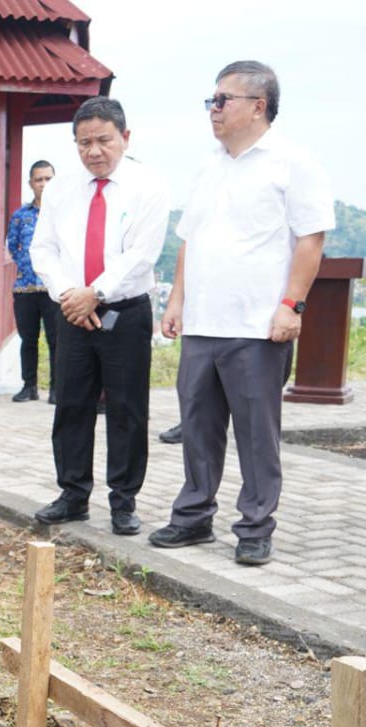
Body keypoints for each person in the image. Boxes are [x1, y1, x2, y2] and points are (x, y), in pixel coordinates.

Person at [151, 61, 334, 565]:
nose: (213, 109)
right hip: (203, 325)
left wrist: (291, 305)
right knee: (197, 427)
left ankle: (255, 526)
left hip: (257, 327)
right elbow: (190, 240)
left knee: (256, 434)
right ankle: (193, 517)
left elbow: (311, 240)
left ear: (258, 105)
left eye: (222, 99)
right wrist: (177, 300)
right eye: (210, 100)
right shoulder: (210, 165)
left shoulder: (291, 161)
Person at [29, 97, 170, 537]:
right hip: (71, 310)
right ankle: (73, 494)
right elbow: (43, 250)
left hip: (123, 311)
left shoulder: (149, 186)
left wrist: (97, 292)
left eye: (103, 140)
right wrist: (71, 294)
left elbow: (141, 255)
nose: (94, 151)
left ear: (125, 138)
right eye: (83, 143)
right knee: (70, 404)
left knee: (128, 409)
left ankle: (123, 501)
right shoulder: (61, 188)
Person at [7, 160, 61, 403]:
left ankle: (57, 388)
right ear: (31, 183)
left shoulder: (63, 213)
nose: (43, 184)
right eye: (39, 179)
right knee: (28, 340)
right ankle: (29, 386)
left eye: (48, 179)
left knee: (56, 340)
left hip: (54, 289)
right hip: (25, 287)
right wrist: (29, 265)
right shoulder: (20, 216)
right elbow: (12, 245)